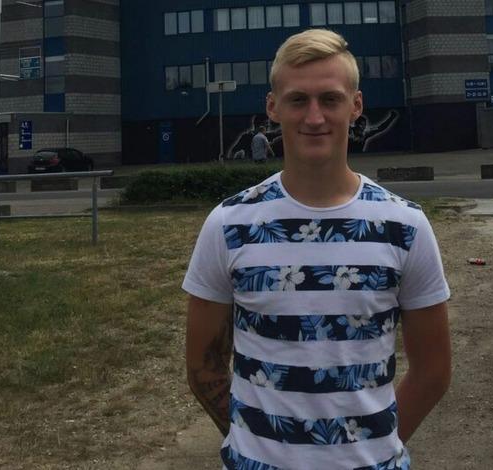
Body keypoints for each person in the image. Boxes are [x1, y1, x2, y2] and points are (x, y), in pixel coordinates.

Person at [183, 29, 452, 470]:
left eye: (330, 99)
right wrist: (250, 442)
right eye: (297, 100)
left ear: (355, 105)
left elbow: (433, 371)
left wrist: (371, 447)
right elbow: (203, 364)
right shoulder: (229, 225)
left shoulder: (405, 227)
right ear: (273, 107)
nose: (314, 117)